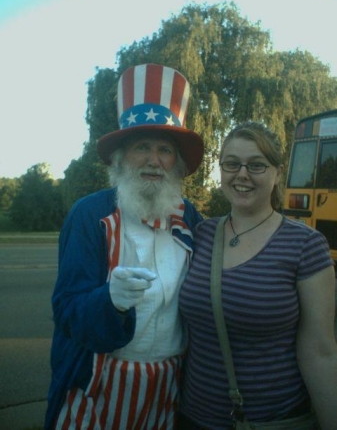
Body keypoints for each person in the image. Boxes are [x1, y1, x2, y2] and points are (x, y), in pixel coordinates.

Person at [44, 63, 204, 430]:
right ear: (120, 157)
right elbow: (66, 311)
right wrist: (110, 301)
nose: (154, 159)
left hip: (167, 387)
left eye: (165, 149)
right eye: (141, 147)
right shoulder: (90, 215)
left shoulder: (190, 219)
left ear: (176, 163)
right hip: (95, 383)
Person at [178, 121, 337, 430]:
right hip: (191, 418)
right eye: (232, 164)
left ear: (278, 173)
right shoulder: (201, 234)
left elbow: (321, 352)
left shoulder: (306, 245)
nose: (242, 174)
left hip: (270, 421)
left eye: (257, 165)